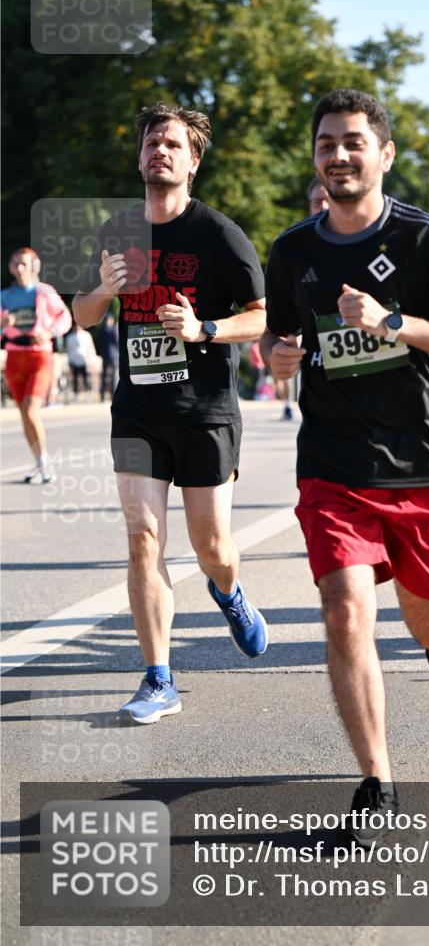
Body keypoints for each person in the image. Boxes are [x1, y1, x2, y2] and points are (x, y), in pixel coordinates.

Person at [261, 88, 429, 833]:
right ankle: (376, 784)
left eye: (353, 142)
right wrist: (280, 359)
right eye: (326, 142)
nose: (338, 154)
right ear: (315, 157)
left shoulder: (425, 239)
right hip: (332, 465)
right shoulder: (291, 252)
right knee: (344, 612)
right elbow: (272, 349)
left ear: (384, 154)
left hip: (422, 464)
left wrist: (395, 323)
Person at [73, 102, 268, 724]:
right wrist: (104, 288)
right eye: (153, 142)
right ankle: (159, 678)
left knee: (212, 546)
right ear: (139, 158)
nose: (161, 151)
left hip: (205, 410)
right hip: (138, 411)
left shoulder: (219, 235)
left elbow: (263, 317)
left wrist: (203, 327)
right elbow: (82, 314)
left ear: (193, 161)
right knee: (142, 539)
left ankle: (229, 590)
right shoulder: (117, 230)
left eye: (174, 144)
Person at [1, 247, 71, 482]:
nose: (20, 269)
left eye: (25, 264)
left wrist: (49, 332)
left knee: (31, 411)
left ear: (34, 266)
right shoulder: (5, 296)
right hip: (14, 356)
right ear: (11, 268)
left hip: (39, 355)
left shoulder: (45, 292)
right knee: (23, 414)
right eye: (16, 264)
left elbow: (65, 317)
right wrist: (2, 323)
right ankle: (38, 462)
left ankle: (45, 464)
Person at [64, 321, 96, 398]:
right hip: (74, 360)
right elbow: (68, 350)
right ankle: (76, 394)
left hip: (85, 360)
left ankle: (88, 393)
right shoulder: (70, 337)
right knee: (75, 378)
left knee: (86, 378)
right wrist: (69, 362)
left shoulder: (87, 335)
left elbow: (90, 349)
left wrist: (92, 361)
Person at [98, 312, 120, 400]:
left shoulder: (102, 330)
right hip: (114, 355)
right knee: (114, 376)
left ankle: (102, 395)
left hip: (105, 355)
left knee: (104, 375)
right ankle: (113, 394)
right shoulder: (114, 329)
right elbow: (117, 341)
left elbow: (100, 343)